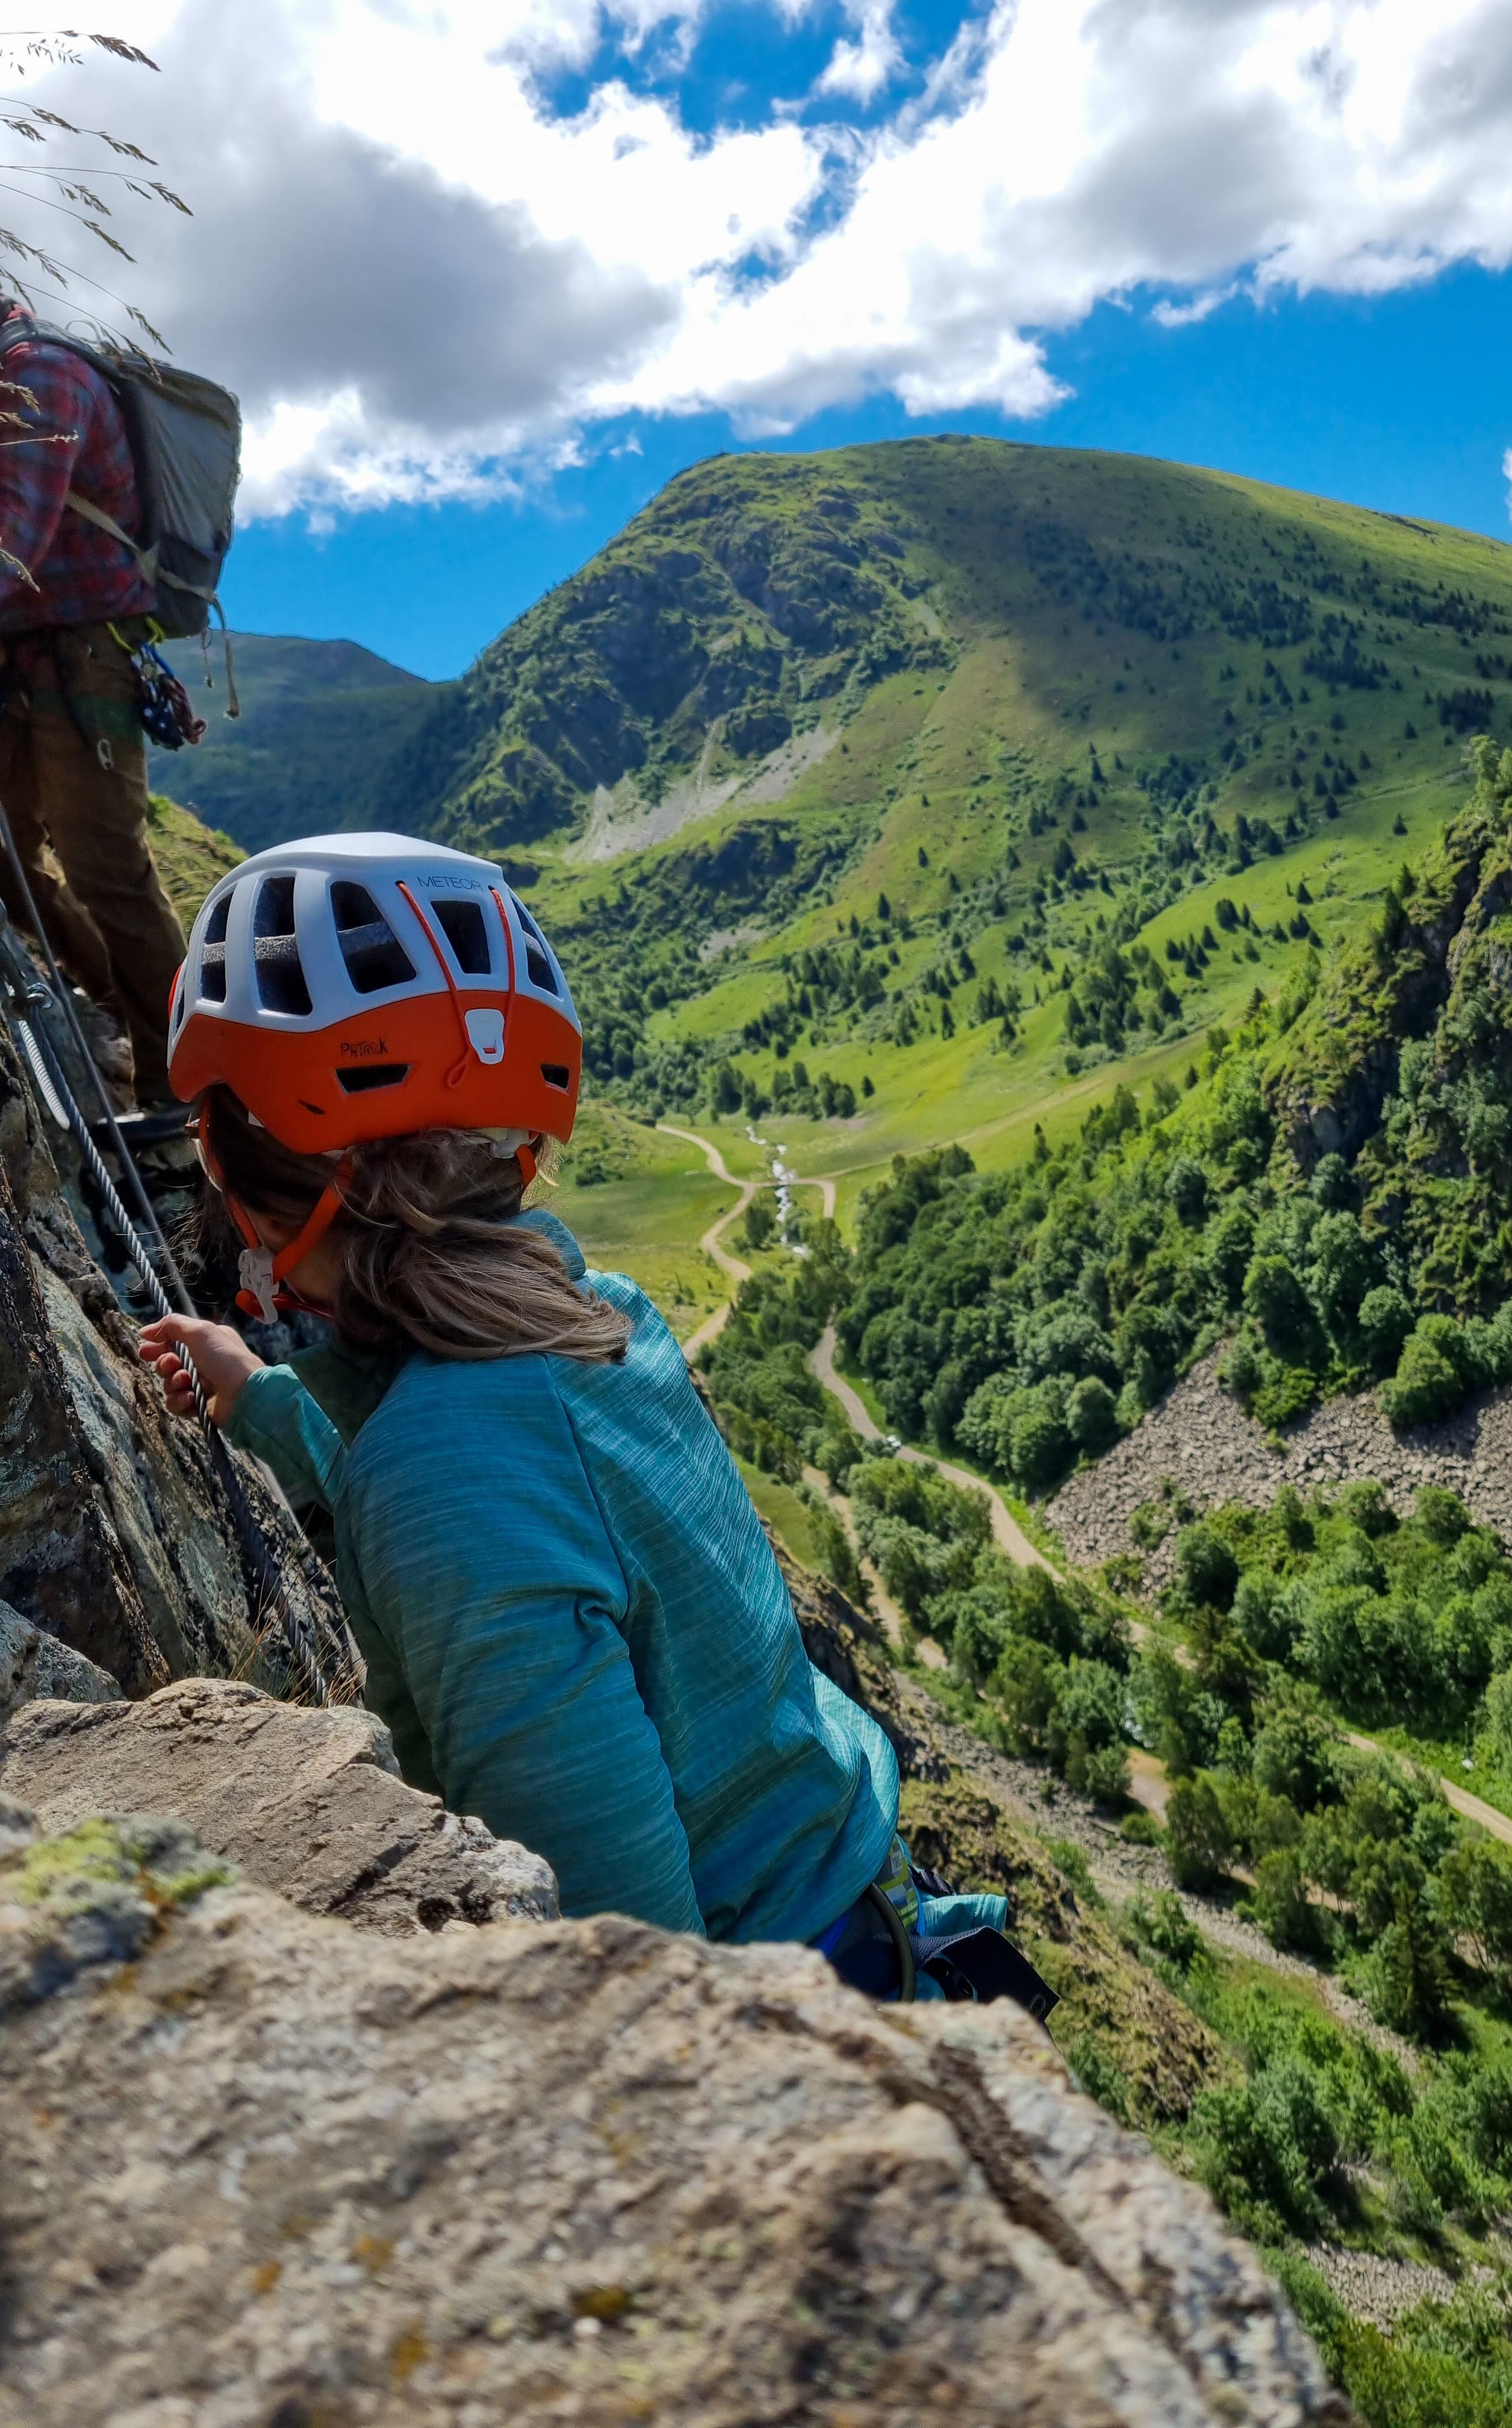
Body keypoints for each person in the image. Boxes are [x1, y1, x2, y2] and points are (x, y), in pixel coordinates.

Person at [138, 832, 1030, 2003]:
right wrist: (261, 1397)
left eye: (213, 1140)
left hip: (774, 1994)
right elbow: (514, 1494)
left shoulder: (442, 1485)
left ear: (274, 1182)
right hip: (857, 1910)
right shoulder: (602, 1317)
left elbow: (636, 1970)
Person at [0, 297, 186, 1101]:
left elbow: (12, 546)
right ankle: (117, 1004)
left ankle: (188, 1087)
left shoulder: (43, 378)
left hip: (85, 663)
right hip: (23, 658)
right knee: (5, 856)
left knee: (108, 871)